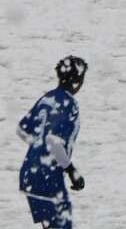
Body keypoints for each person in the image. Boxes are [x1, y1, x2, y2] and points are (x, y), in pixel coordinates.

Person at [17, 56, 88, 229]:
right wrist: (71, 170)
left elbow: (22, 129)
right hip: (48, 176)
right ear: (78, 80)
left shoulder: (46, 99)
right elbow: (53, 141)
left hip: (30, 173)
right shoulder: (68, 103)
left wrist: (37, 149)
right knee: (61, 225)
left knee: (52, 225)